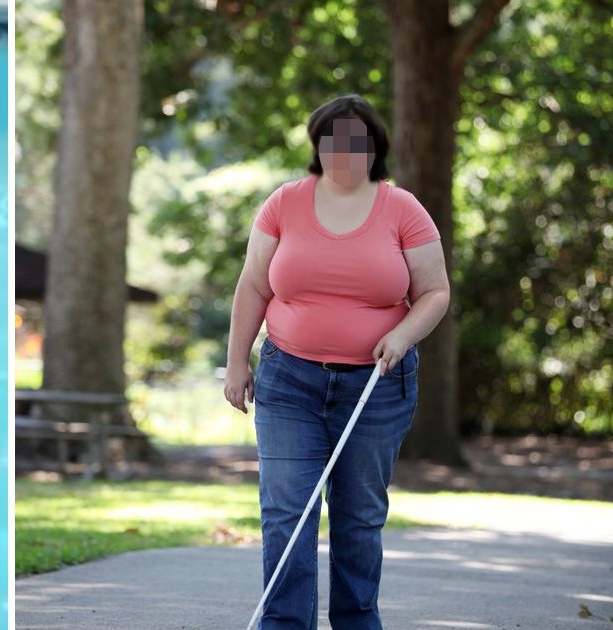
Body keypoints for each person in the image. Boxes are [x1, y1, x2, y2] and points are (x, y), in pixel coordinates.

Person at [223, 94, 450, 629]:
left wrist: (401, 335)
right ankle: (283, 624)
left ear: (375, 148)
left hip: (376, 387)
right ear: (317, 146)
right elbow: (253, 284)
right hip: (288, 380)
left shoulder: (404, 209)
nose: (344, 152)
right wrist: (237, 362)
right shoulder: (285, 203)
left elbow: (435, 293)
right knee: (287, 514)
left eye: (356, 141)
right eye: (332, 140)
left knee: (358, 519)